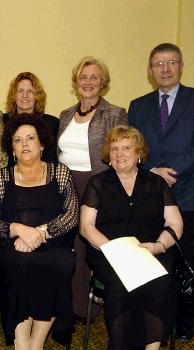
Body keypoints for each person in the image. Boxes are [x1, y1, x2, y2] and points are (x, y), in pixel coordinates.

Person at [80, 126, 183, 350]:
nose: (120, 153)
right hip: (109, 253)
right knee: (118, 286)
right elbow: (87, 227)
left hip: (150, 251)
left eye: (126, 147)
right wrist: (114, 250)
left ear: (139, 153)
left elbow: (175, 223)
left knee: (163, 285)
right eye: (114, 149)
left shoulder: (156, 183)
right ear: (108, 155)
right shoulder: (98, 184)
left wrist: (159, 246)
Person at [128, 43, 194, 343]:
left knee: (187, 258)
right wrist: (153, 170)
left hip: (189, 191)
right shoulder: (138, 106)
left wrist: (173, 172)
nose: (165, 69)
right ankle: (155, 317)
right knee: (153, 255)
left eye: (171, 62)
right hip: (151, 194)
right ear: (150, 71)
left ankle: (185, 320)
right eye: (158, 64)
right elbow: (133, 146)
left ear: (181, 66)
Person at [0, 114, 78, 350]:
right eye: (17, 140)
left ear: (41, 145)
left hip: (51, 243)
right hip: (10, 247)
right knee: (19, 268)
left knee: (60, 264)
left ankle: (37, 346)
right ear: (11, 149)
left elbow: (71, 215)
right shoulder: (1, 177)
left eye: (30, 139)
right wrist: (17, 230)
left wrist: (38, 233)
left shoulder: (60, 173)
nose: (24, 144)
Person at [57, 56, 128, 324]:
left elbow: (122, 154)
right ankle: (76, 305)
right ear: (76, 82)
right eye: (83, 77)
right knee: (71, 244)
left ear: (103, 82)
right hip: (67, 186)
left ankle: (99, 303)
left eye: (94, 77)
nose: (88, 82)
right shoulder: (65, 115)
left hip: (99, 186)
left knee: (95, 244)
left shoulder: (115, 113)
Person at [3, 72, 59, 162]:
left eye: (30, 91)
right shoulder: (2, 122)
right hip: (10, 174)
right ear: (14, 96)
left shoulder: (52, 123)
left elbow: (51, 159)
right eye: (20, 91)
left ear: (37, 96)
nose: (25, 95)